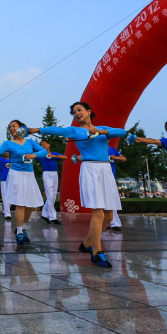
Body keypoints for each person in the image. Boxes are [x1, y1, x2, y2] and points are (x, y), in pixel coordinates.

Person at [25, 102, 127, 268]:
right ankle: (97, 253)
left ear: (89, 111)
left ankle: (87, 243)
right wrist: (35, 130)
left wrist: (101, 132)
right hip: (90, 169)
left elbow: (122, 132)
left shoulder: (101, 129)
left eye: (79, 110)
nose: (77, 113)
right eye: (74, 112)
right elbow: (55, 130)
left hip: (106, 171)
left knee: (109, 216)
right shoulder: (75, 131)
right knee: (98, 212)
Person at [0, 122, 48, 244]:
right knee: (20, 204)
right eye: (10, 127)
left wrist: (34, 155)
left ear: (21, 128)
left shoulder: (30, 142)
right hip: (16, 174)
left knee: (31, 206)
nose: (11, 128)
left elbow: (44, 152)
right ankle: (19, 232)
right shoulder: (8, 143)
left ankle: (22, 227)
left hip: (29, 175)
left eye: (14, 126)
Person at [37, 140, 66, 224]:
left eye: (44, 144)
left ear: (48, 145)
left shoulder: (54, 153)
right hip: (46, 174)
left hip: (55, 174)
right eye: (41, 145)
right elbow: (33, 156)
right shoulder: (41, 154)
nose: (43, 146)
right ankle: (53, 217)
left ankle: (44, 214)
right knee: (49, 195)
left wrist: (53, 156)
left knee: (53, 195)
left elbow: (65, 157)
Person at [107, 145, 127, 231]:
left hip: (110, 178)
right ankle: (104, 221)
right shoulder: (95, 147)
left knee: (112, 199)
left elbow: (124, 158)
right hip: (98, 178)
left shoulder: (112, 149)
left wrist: (115, 157)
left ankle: (114, 222)